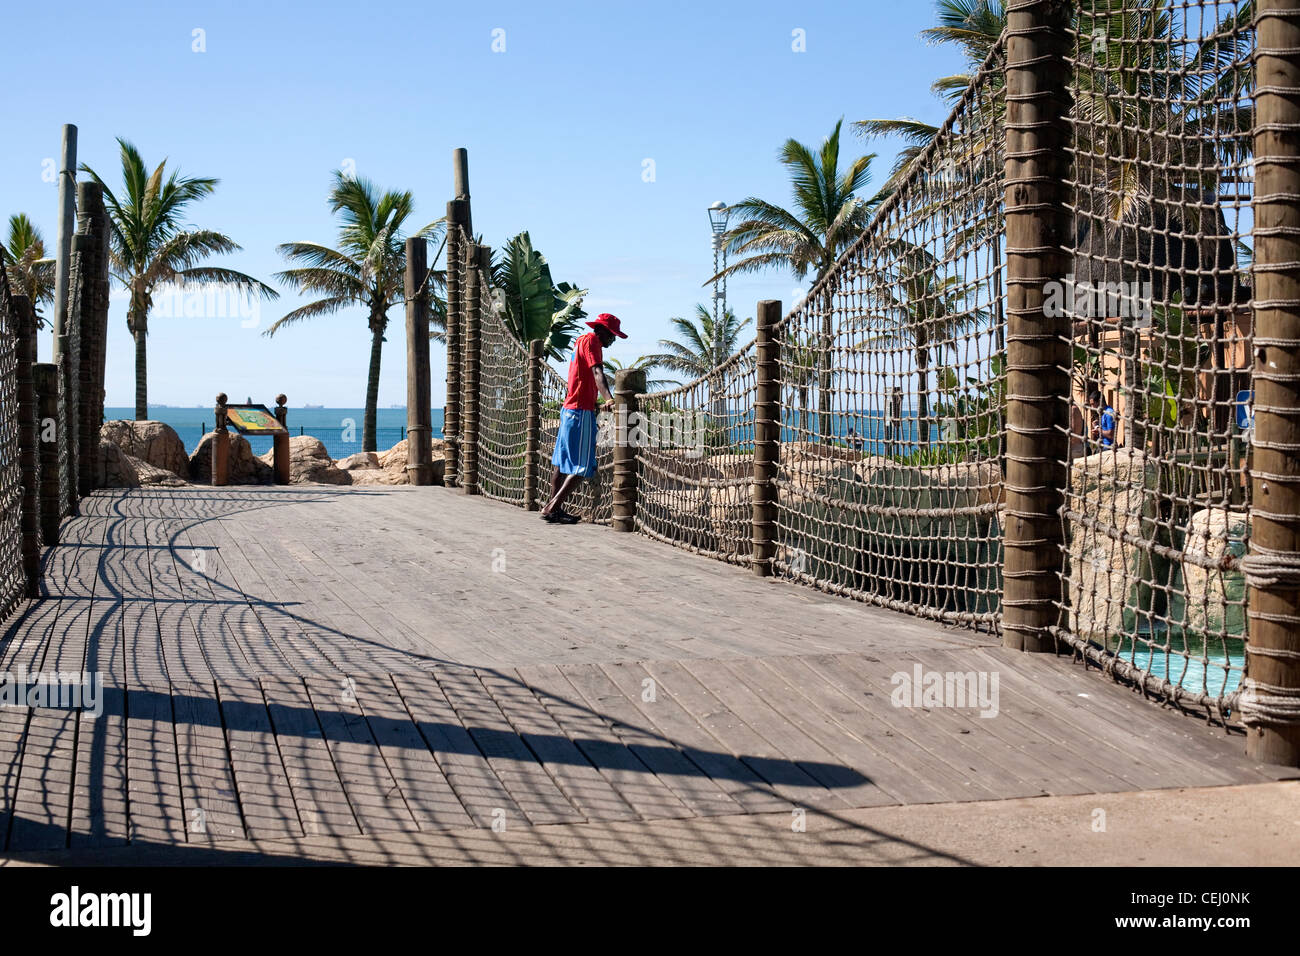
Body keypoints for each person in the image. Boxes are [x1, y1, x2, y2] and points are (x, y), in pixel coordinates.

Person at [540, 313, 627, 523]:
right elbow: (597, 372)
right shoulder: (593, 342)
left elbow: (581, 379)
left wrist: (597, 402)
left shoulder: (580, 341)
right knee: (584, 466)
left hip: (569, 409)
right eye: (612, 336)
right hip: (580, 413)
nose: (612, 341)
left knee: (560, 465)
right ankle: (552, 506)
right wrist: (610, 399)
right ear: (603, 331)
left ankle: (554, 511)